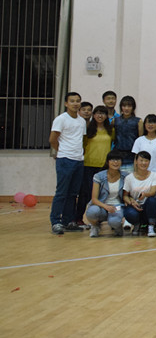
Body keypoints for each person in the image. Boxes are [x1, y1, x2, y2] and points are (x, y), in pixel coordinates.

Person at [49, 92, 87, 234]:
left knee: (73, 194)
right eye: (72, 101)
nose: (75, 103)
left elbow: (81, 139)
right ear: (66, 103)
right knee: (62, 192)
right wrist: (62, 152)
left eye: (78, 101)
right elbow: (52, 139)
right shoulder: (61, 119)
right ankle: (56, 221)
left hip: (79, 160)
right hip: (65, 160)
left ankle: (68, 221)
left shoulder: (82, 121)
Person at [79, 105, 114, 228]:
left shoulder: (111, 130)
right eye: (97, 113)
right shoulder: (88, 129)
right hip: (88, 165)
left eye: (103, 113)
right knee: (86, 193)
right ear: (93, 115)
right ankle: (79, 219)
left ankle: (98, 220)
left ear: (106, 116)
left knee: (103, 194)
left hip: (103, 167)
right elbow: (82, 146)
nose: (100, 115)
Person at [85, 151, 128, 237]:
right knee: (92, 212)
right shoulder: (99, 176)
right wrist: (106, 207)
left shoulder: (126, 176)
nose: (115, 162)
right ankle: (95, 226)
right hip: (101, 205)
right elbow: (94, 199)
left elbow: (126, 195)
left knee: (114, 221)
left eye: (118, 160)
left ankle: (117, 227)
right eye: (112, 160)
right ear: (107, 162)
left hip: (117, 206)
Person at [121, 151, 156, 237]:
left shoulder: (154, 175)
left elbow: (153, 192)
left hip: (148, 207)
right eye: (141, 160)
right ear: (136, 161)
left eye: (146, 161)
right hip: (135, 206)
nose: (143, 163)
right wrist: (131, 202)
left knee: (152, 200)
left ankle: (151, 226)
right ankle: (137, 225)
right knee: (130, 213)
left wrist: (145, 194)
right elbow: (125, 196)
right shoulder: (129, 178)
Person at [115, 95, 143, 173]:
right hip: (118, 155)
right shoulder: (116, 121)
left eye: (129, 106)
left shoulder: (138, 121)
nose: (126, 108)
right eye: (124, 106)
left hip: (132, 155)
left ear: (133, 108)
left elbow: (140, 140)